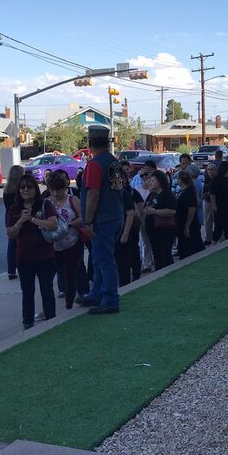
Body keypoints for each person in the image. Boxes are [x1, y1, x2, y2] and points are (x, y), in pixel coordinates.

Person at [77, 125, 125, 314]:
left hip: (102, 220)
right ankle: (96, 293)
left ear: (90, 143)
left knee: (105, 260)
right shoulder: (115, 163)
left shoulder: (94, 165)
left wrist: (88, 222)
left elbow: (93, 195)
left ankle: (110, 299)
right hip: (116, 215)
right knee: (99, 259)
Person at [7, 174, 58, 329]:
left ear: (35, 188)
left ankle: (51, 320)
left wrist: (33, 219)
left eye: (29, 186)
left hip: (45, 255)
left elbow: (53, 225)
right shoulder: (14, 209)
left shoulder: (45, 205)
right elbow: (10, 233)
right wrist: (21, 220)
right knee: (27, 292)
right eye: (22, 187)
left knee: (47, 289)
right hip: (24, 257)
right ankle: (27, 323)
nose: (26, 190)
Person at [45, 171, 84, 309]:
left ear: (64, 188)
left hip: (72, 244)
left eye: (59, 189)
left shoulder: (72, 200)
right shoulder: (47, 203)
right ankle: (48, 308)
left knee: (71, 277)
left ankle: (69, 305)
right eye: (52, 190)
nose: (56, 193)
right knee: (47, 278)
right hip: (53, 247)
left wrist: (68, 225)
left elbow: (82, 218)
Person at [143, 170, 177, 270]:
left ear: (160, 181)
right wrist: (147, 210)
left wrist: (155, 211)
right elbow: (145, 208)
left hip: (164, 229)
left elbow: (172, 211)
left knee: (165, 253)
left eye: (153, 180)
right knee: (156, 253)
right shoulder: (152, 195)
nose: (151, 182)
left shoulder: (167, 194)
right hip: (152, 230)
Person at [116, 165, 143, 286]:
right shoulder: (112, 194)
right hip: (117, 232)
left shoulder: (126, 192)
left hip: (128, 230)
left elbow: (132, 212)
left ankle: (128, 282)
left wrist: (125, 233)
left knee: (127, 258)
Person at [175, 170, 204, 259]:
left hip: (189, 225)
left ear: (180, 180)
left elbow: (191, 209)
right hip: (181, 223)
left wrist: (187, 225)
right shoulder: (183, 191)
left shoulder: (188, 192)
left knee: (191, 247)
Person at [2, 164, 25, 280]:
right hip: (20, 216)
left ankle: (11, 270)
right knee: (24, 242)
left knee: (12, 245)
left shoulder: (7, 188)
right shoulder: (20, 189)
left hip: (10, 217)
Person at [210, 161, 228, 243]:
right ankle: (214, 244)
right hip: (220, 207)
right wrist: (213, 205)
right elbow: (212, 194)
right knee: (218, 227)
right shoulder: (217, 179)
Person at [202, 162, 218, 245]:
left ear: (216, 170)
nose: (210, 172)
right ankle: (208, 238)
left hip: (217, 203)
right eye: (208, 170)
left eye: (212, 170)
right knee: (207, 220)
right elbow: (204, 193)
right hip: (207, 202)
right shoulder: (206, 180)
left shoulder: (218, 180)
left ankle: (218, 236)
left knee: (217, 221)